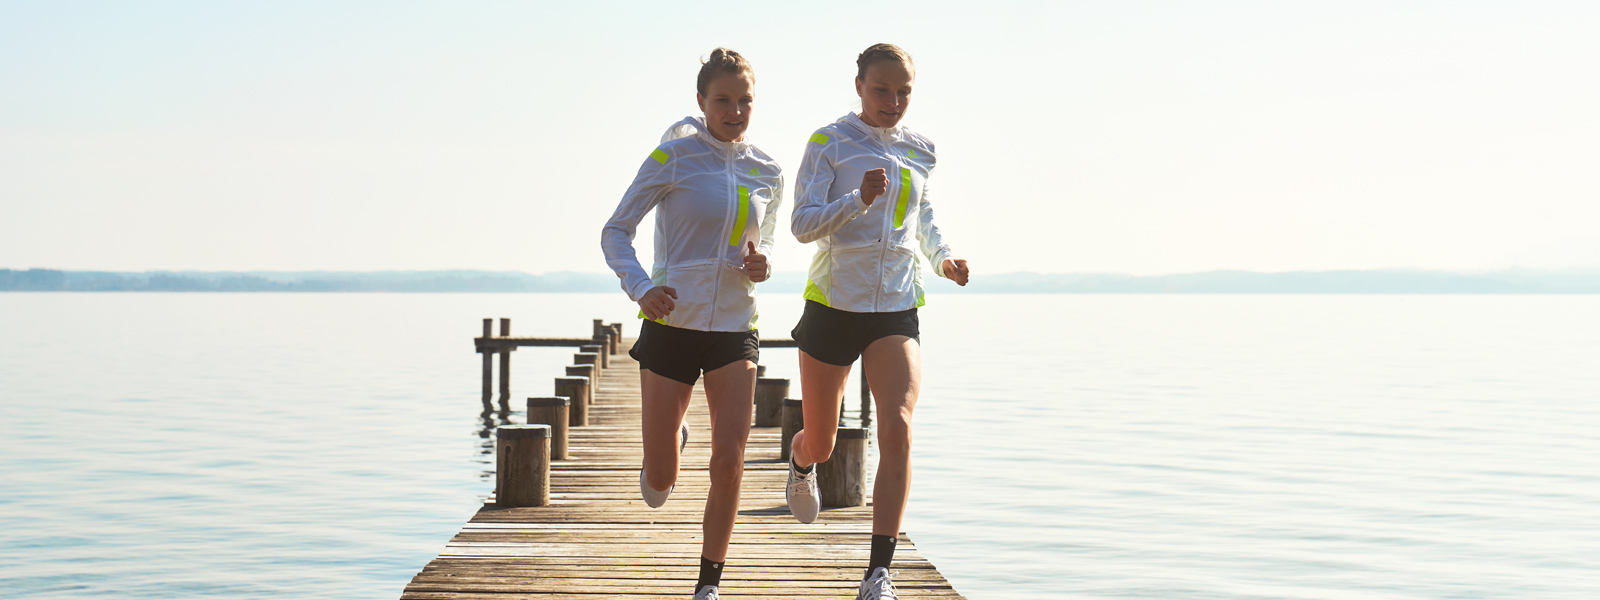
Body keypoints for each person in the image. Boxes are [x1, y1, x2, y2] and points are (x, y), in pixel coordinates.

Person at [782, 43, 970, 600]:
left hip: (895, 305)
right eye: (882, 89)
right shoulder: (829, 142)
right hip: (834, 305)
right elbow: (800, 225)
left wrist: (944, 259)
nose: (893, 101)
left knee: (899, 424)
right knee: (822, 440)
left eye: (904, 91)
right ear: (859, 86)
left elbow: (924, 219)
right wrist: (858, 201)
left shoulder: (920, 150)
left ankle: (878, 574)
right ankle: (800, 461)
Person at [600, 48, 783, 600]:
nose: (735, 110)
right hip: (673, 322)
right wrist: (642, 288)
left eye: (744, 100)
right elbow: (615, 231)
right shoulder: (673, 158)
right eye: (723, 100)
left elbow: (767, 241)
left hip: (734, 326)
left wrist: (763, 262)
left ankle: (708, 584)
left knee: (728, 462)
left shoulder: (767, 169)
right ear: (701, 102)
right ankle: (667, 447)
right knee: (659, 484)